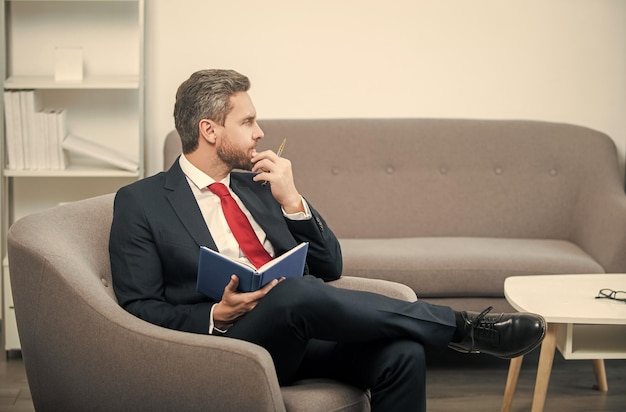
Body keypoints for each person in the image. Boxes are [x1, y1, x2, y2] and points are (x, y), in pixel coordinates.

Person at [109, 69, 546, 412]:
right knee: (296, 292)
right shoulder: (141, 202)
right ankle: (463, 327)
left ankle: (452, 330)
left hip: (300, 332)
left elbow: (330, 265)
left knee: (403, 353)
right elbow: (138, 308)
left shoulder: (259, 186)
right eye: (248, 121)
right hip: (230, 347)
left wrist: (293, 199)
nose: (260, 132)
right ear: (209, 130)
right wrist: (217, 315)